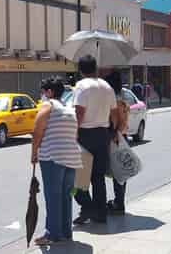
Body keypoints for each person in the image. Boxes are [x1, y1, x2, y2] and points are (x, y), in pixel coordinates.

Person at [32, 77, 82, 245]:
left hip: (52, 157)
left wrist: (34, 153)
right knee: (65, 196)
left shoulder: (48, 106)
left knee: (53, 196)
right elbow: (74, 135)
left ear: (50, 92)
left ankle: (52, 234)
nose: (42, 96)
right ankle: (66, 232)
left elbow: (37, 130)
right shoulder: (68, 109)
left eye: (43, 92)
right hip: (71, 157)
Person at [73, 55, 118, 225]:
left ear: (81, 70)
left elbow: (79, 112)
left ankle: (87, 207)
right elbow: (114, 113)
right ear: (96, 68)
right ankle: (100, 213)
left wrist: (74, 133)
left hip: (85, 135)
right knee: (98, 178)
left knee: (79, 178)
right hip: (102, 134)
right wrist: (112, 131)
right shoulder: (107, 86)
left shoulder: (82, 86)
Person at [105, 71, 130, 215]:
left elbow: (118, 122)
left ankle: (119, 203)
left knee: (118, 173)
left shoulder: (116, 101)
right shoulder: (123, 97)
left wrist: (114, 136)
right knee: (120, 172)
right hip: (122, 137)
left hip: (117, 138)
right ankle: (119, 201)